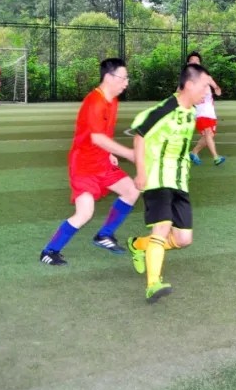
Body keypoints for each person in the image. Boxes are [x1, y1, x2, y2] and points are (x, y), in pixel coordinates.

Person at [124, 64, 213, 303]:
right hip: (157, 178)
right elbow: (139, 135)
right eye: (205, 86)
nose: (207, 91)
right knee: (162, 229)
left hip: (179, 181)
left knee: (183, 240)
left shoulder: (191, 112)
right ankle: (153, 284)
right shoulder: (165, 109)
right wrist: (141, 172)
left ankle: (137, 245)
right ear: (190, 85)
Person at [39, 58, 140, 266]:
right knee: (85, 213)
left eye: (127, 78)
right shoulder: (95, 102)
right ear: (109, 77)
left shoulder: (112, 101)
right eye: (123, 78)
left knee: (131, 191)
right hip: (84, 166)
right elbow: (97, 138)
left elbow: (103, 134)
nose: (126, 82)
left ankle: (104, 235)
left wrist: (109, 153)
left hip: (102, 162)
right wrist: (129, 154)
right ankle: (49, 251)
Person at [184, 51, 226, 166]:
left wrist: (217, 90)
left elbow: (216, 87)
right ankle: (216, 157)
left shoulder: (206, 77)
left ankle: (194, 152)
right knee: (208, 133)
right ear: (188, 64)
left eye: (197, 61)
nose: (195, 62)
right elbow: (180, 93)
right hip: (200, 113)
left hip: (210, 112)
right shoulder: (187, 81)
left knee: (209, 136)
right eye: (192, 61)